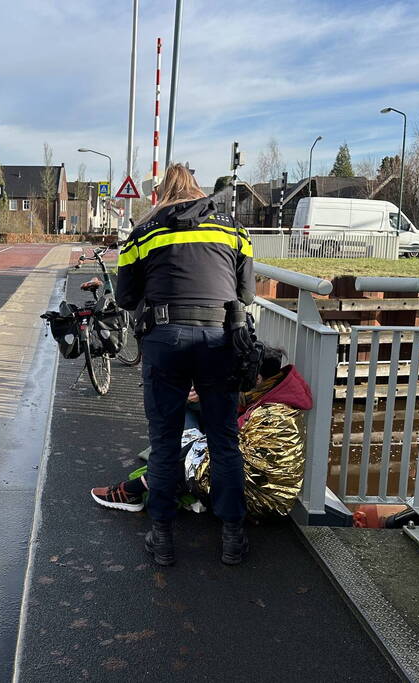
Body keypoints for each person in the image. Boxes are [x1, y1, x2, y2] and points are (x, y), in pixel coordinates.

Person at [113, 163, 254, 566]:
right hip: (218, 339)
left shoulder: (145, 231)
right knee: (224, 439)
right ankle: (232, 538)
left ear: (162, 194)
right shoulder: (234, 230)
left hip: (165, 339)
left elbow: (125, 297)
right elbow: (246, 293)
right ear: (199, 191)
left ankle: (162, 539)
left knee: (164, 441)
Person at [91, 347, 314, 520]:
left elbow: (230, 448)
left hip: (259, 500)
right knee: (191, 415)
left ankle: (134, 490)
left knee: (192, 450)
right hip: (254, 485)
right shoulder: (275, 395)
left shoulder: (273, 414)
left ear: (256, 379)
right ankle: (151, 481)